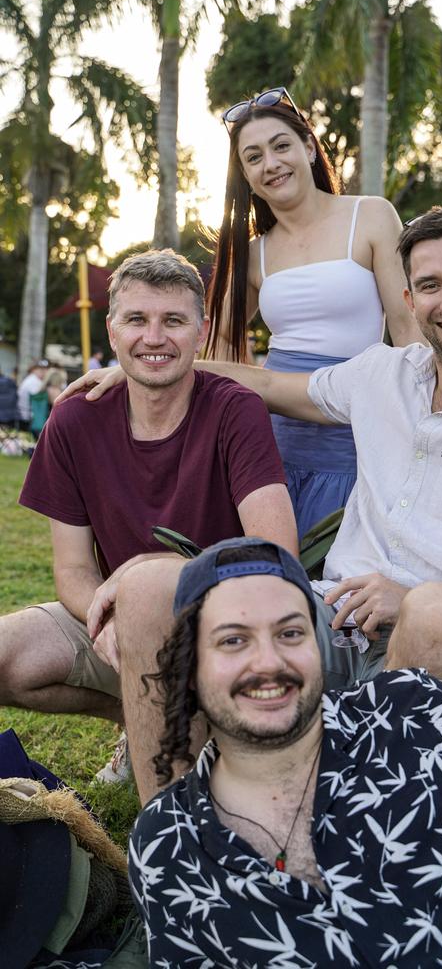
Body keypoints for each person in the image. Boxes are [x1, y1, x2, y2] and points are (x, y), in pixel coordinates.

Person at [59, 207, 442, 802]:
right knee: (154, 584)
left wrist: (414, 600)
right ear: (408, 297)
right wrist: (152, 362)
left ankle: (377, 840)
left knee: (432, 615)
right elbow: (274, 386)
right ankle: (181, 838)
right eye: (430, 285)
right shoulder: (382, 373)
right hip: (338, 619)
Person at [129, 537, 442, 969]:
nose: (269, 662)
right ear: (189, 668)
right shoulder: (170, 847)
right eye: (233, 640)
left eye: (290, 633)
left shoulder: (412, 707)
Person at [0, 249, 296, 784]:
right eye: (137, 319)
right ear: (112, 331)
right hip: (111, 619)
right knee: (6, 656)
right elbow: (72, 572)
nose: (154, 338)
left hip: (221, 625)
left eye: (173, 321)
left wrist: (147, 588)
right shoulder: (73, 421)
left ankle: (179, 799)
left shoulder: (234, 409)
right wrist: (114, 623)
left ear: (200, 332)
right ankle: (134, 721)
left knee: (151, 605)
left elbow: (276, 555)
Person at [205, 86, 424, 536]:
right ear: (245, 174)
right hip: (275, 432)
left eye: (281, 145)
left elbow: (408, 333)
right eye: (253, 157)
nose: (271, 164)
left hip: (355, 424)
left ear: (308, 146)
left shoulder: (372, 216)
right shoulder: (254, 253)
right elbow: (220, 339)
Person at [16, 359, 49, 430]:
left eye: (45, 369)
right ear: (34, 370)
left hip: (27, 416)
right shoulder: (33, 381)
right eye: (41, 369)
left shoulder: (32, 379)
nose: (44, 372)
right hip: (28, 418)